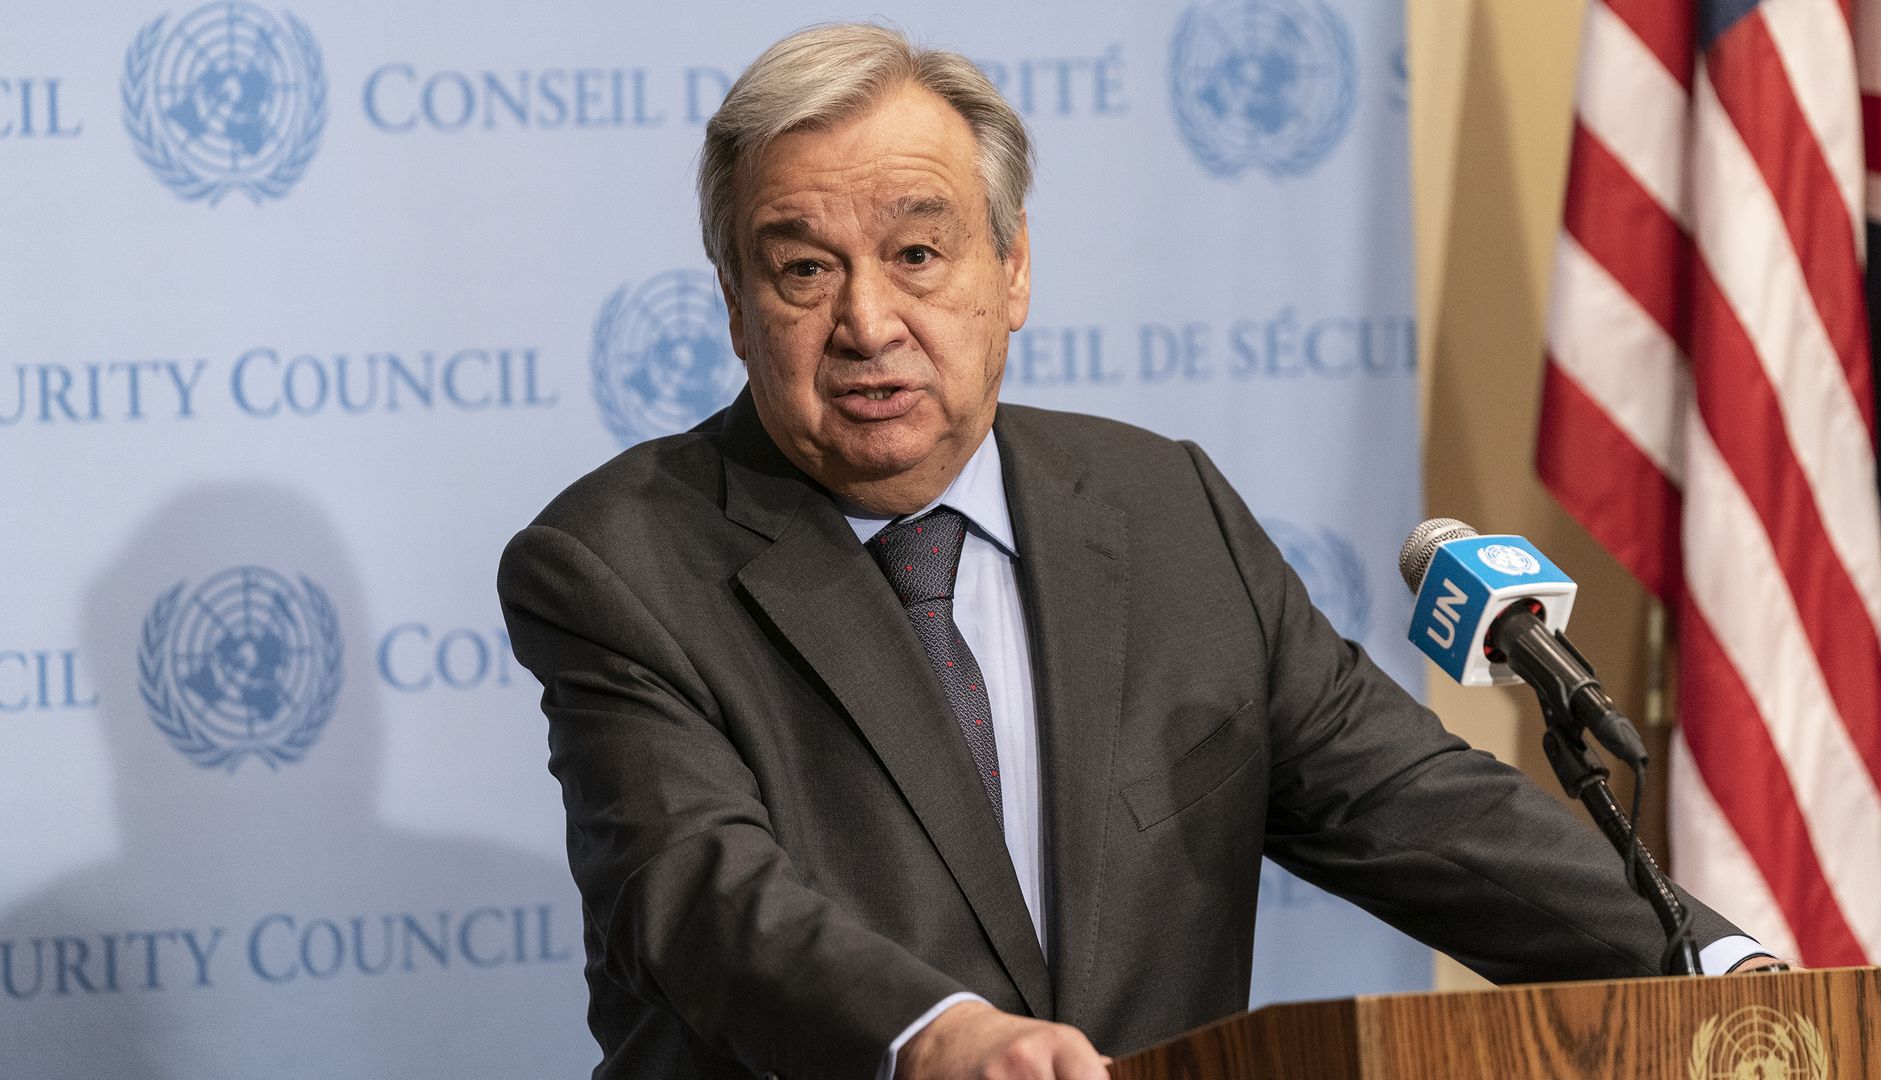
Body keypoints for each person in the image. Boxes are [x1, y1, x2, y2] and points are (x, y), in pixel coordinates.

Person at [498, 23, 1774, 1080]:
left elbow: (1410, 807)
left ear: (1013, 272)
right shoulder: (619, 565)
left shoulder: (1163, 510)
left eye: (919, 254)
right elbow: (700, 893)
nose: (868, 321)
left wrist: (1723, 974)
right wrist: (937, 1038)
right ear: (733, 304)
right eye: (802, 272)